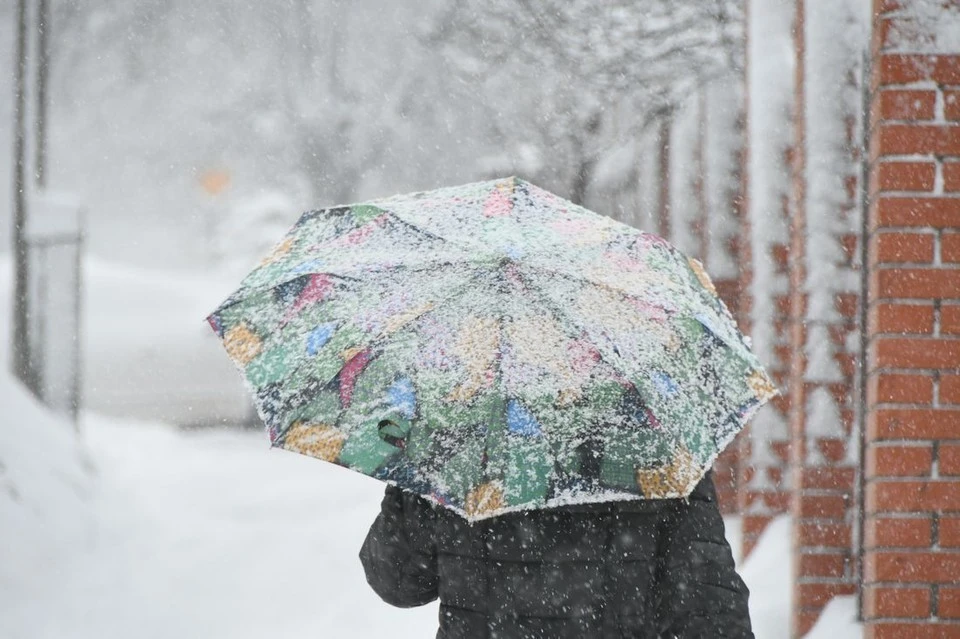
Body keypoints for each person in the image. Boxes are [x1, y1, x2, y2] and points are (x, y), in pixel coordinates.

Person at [359, 471, 753, 638]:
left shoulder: (454, 436)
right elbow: (709, 610)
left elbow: (398, 582)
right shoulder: (654, 442)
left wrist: (409, 483)